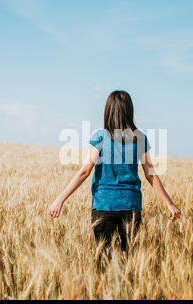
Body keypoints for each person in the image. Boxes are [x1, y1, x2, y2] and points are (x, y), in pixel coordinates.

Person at [48, 90, 181, 252]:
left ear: (108, 111)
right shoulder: (139, 138)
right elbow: (150, 174)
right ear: (129, 111)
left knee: (103, 260)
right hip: (131, 206)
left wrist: (60, 199)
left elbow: (84, 171)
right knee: (127, 259)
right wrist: (170, 204)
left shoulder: (100, 136)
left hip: (104, 205)